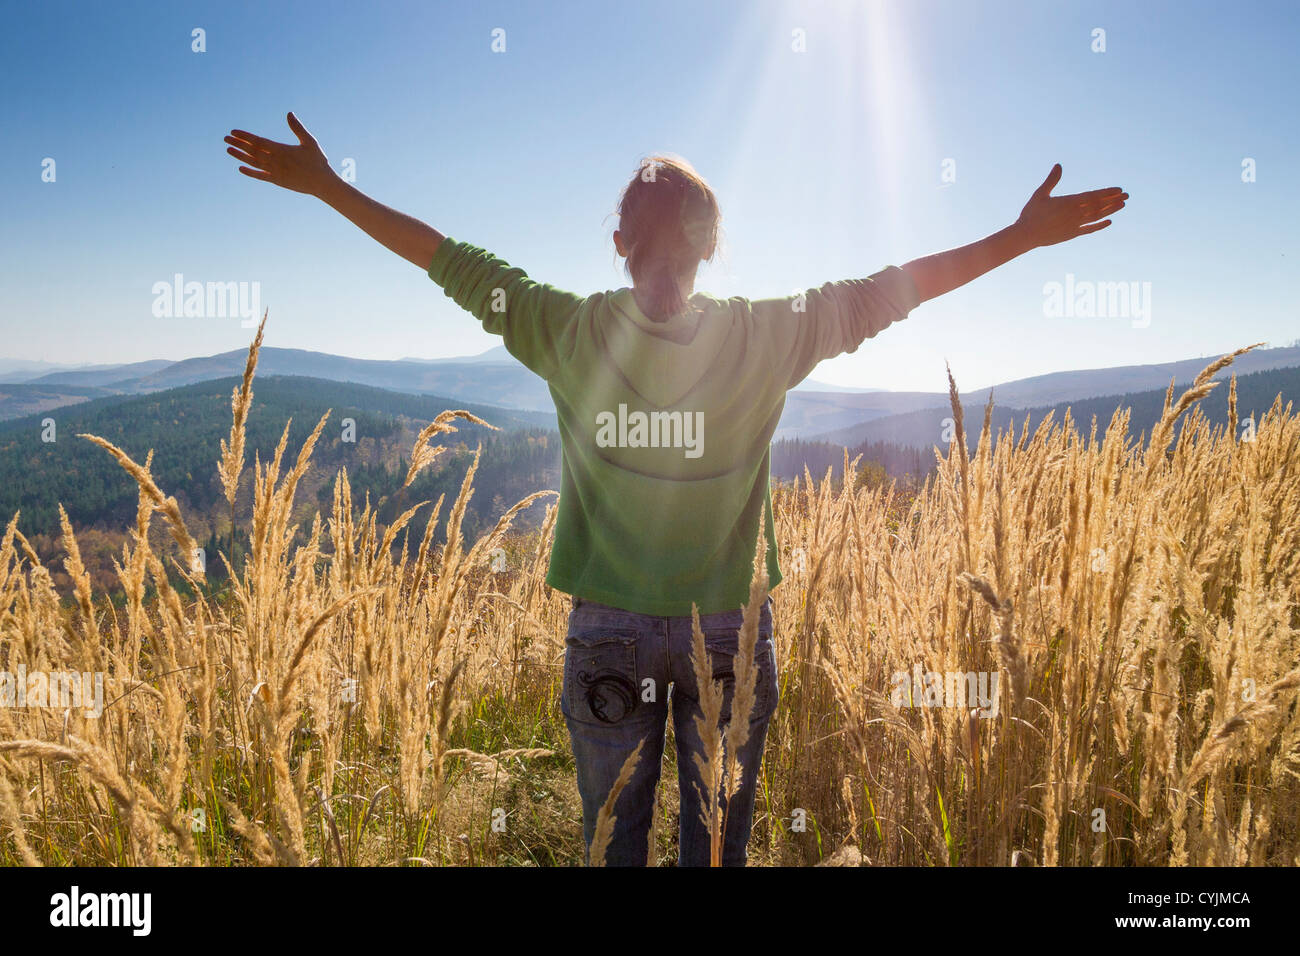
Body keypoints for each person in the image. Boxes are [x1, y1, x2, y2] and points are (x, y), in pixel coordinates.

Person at [225, 113, 1127, 865]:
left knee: (611, 847)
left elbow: (445, 258)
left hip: (606, 629)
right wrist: (1019, 236)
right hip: (728, 630)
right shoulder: (768, 335)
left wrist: (329, 187)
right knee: (716, 852)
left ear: (618, 243)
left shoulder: (561, 327)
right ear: (709, 248)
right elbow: (897, 291)